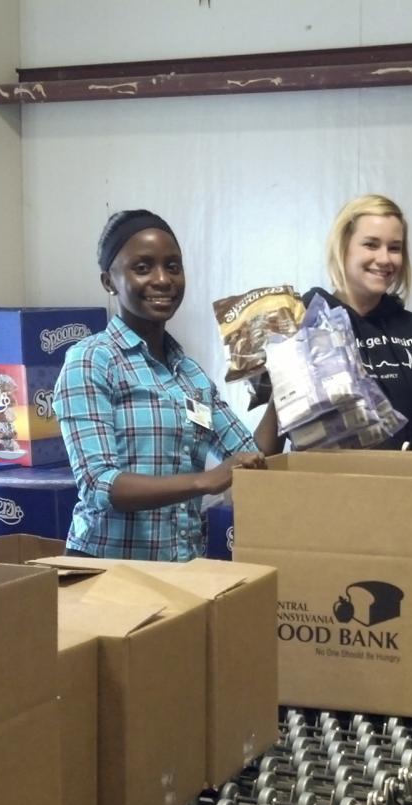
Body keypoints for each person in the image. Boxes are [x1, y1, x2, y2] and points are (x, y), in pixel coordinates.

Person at [55, 210, 281, 560]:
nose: (163, 279)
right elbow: (99, 483)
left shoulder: (190, 375)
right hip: (108, 573)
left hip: (181, 569)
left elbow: (251, 456)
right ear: (109, 281)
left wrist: (286, 390)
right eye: (142, 267)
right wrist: (205, 481)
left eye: (173, 266)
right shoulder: (91, 361)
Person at [303, 194, 412, 452]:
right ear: (343, 247)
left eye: (394, 248)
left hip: (408, 486)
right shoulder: (305, 327)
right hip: (324, 485)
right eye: (371, 244)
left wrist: (408, 471)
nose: (385, 258)